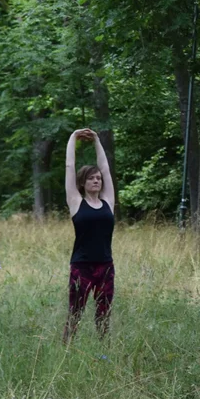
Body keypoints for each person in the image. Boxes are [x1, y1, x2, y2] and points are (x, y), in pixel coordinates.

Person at [63, 128, 116, 342]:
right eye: (91, 178)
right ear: (83, 182)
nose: (97, 180)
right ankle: (68, 348)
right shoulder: (76, 203)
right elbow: (69, 167)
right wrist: (72, 138)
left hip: (105, 266)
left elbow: (105, 167)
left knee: (104, 313)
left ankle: (103, 349)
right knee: (75, 312)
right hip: (81, 266)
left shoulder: (108, 203)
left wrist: (96, 140)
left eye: (98, 178)